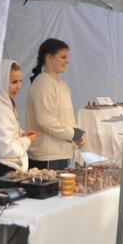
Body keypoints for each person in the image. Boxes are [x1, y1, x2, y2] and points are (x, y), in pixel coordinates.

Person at [26, 38, 84, 170]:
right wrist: (72, 134)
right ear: (49, 58)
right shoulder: (42, 83)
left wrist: (76, 135)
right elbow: (45, 120)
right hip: (46, 157)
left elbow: (66, 118)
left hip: (61, 153)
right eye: (63, 57)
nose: (67, 61)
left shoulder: (63, 85)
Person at [0, 60, 38, 184]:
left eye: (20, 81)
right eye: (14, 82)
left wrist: (21, 134)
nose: (19, 87)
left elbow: (6, 132)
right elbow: (4, 149)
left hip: (8, 170)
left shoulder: (5, 103)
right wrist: (27, 140)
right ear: (1, 81)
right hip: (1, 172)